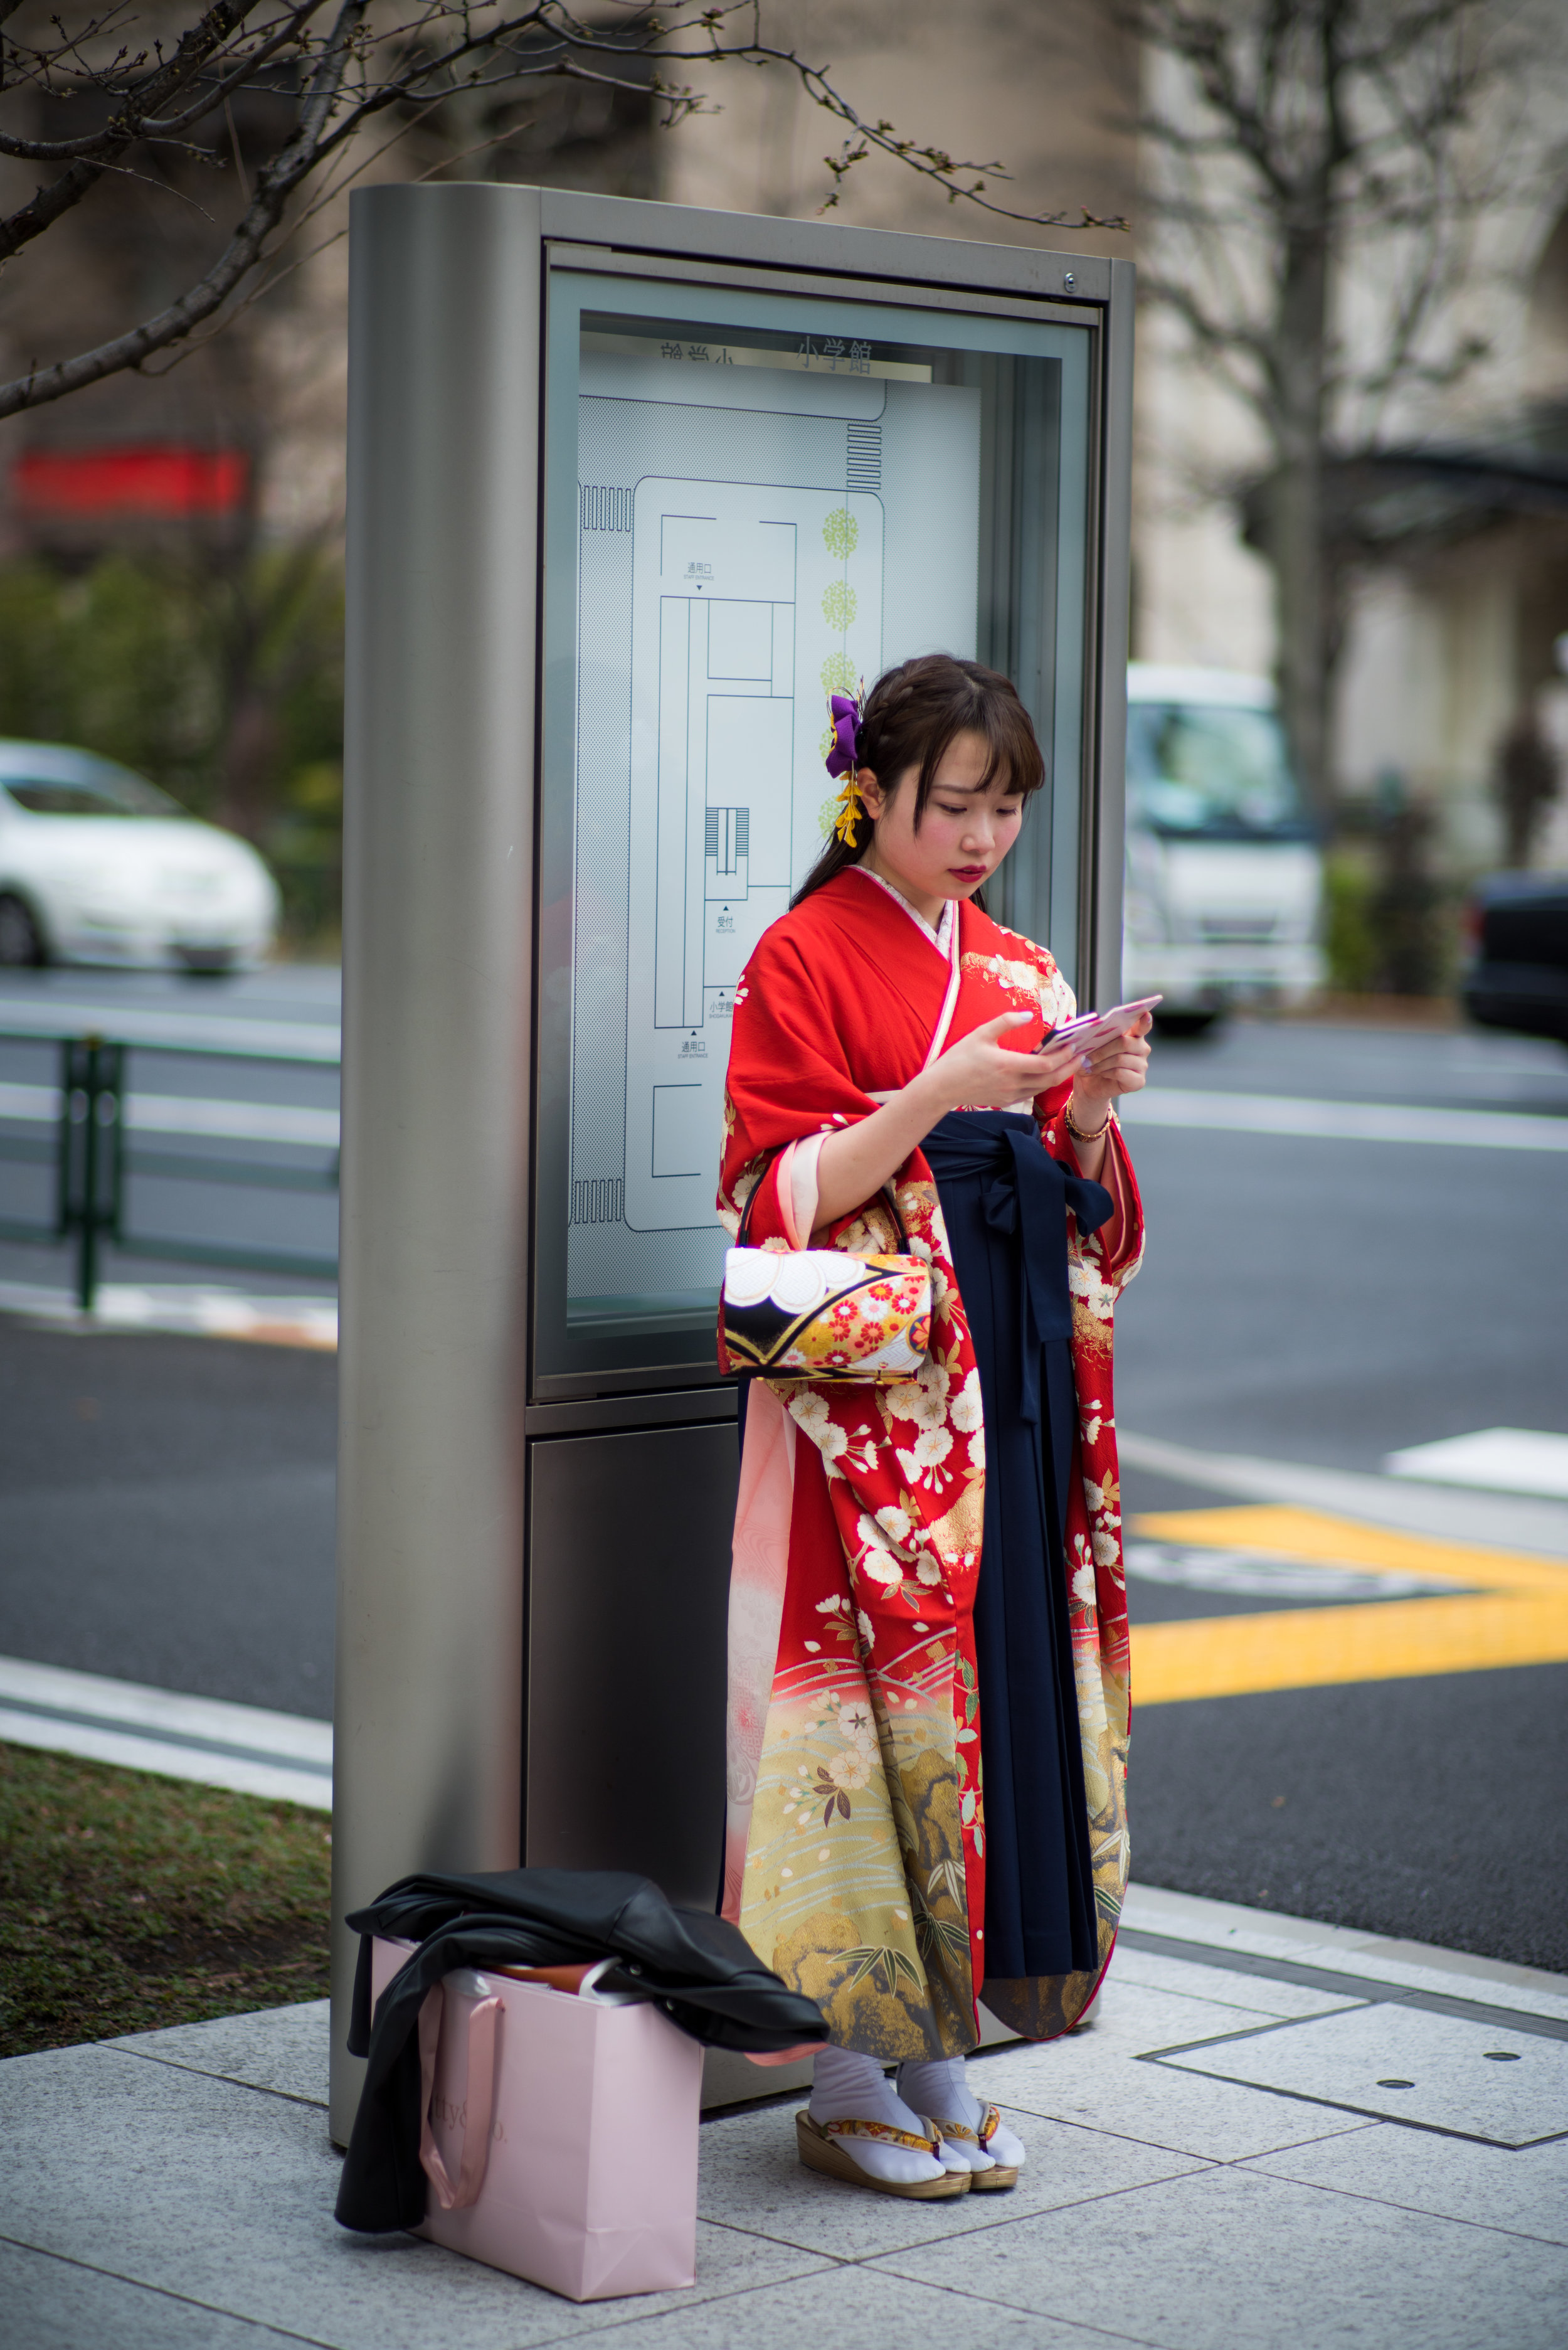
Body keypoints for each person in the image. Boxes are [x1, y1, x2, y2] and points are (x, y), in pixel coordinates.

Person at [716, 653, 1150, 2199]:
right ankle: (847, 2076)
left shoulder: (1019, 965)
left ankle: (942, 2054)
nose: (980, 836)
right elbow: (772, 1192)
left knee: (991, 1703)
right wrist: (936, 1095)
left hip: (1008, 1386)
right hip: (872, 1410)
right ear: (869, 794)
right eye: (951, 804)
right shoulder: (802, 954)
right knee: (871, 1716)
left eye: (1006, 807)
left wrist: (1082, 1112)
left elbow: (1080, 1218)